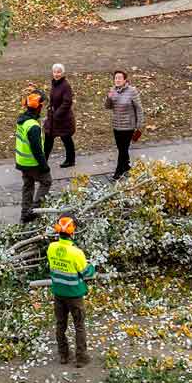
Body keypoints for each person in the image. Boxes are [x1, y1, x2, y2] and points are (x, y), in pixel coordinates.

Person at [47, 215, 95, 367]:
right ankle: (81, 358)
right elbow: (88, 273)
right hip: (74, 295)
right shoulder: (76, 253)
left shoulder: (51, 248)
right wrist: (92, 266)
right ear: (73, 232)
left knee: (61, 324)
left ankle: (63, 355)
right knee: (79, 325)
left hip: (58, 293)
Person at [15, 91, 51, 223]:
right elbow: (36, 150)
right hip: (32, 162)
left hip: (22, 161)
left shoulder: (22, 120)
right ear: (38, 107)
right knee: (46, 181)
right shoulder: (33, 126)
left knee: (28, 185)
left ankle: (24, 214)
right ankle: (33, 211)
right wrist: (44, 166)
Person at [103, 69, 144, 180]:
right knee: (121, 148)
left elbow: (139, 109)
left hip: (128, 126)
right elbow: (107, 106)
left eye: (120, 78)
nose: (117, 80)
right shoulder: (112, 90)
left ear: (125, 80)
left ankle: (118, 171)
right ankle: (126, 166)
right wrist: (108, 97)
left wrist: (139, 126)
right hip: (117, 125)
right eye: (116, 78)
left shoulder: (132, 91)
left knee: (123, 149)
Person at [44, 63, 77, 168]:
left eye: (59, 72)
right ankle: (43, 162)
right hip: (53, 118)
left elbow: (67, 102)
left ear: (63, 73)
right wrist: (49, 107)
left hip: (63, 119)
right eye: (55, 72)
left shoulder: (65, 85)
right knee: (48, 138)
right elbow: (54, 99)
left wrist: (57, 114)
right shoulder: (55, 83)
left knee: (66, 139)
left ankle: (70, 160)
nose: (56, 74)